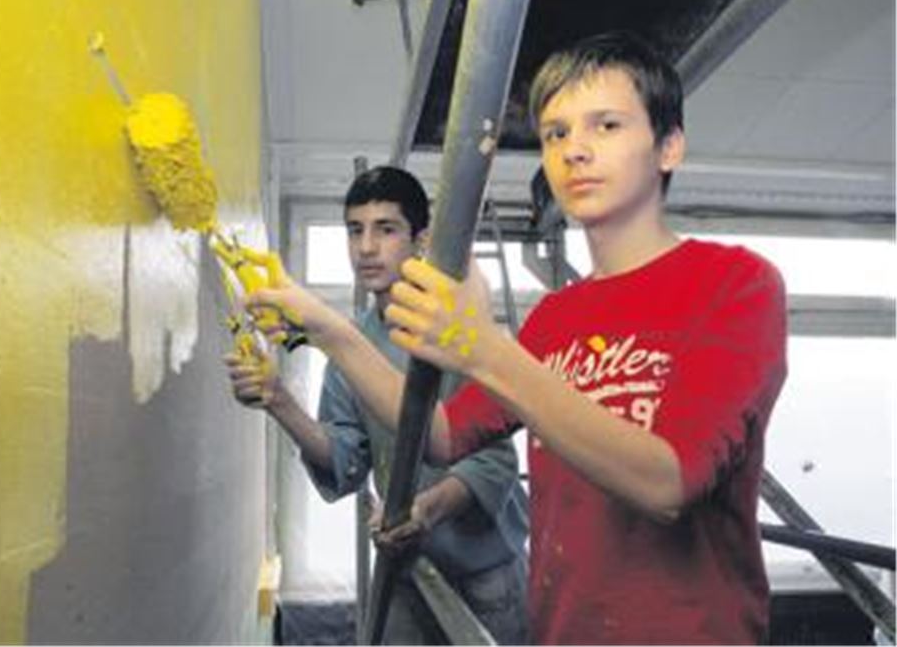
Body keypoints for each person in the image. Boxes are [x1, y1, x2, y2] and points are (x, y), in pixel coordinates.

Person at [245, 31, 788, 644]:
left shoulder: (734, 283)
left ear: (669, 146)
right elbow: (442, 435)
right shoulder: (556, 318)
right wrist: (326, 328)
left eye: (606, 125)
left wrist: (485, 349)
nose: (574, 150)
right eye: (556, 133)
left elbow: (668, 484)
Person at [225, 166, 529, 645]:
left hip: (486, 576)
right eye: (355, 230)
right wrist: (278, 400)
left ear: (420, 240)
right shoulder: (352, 345)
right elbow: (344, 462)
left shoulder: (459, 331)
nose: (366, 247)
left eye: (385, 229)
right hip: (406, 568)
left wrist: (425, 509)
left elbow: (494, 461)